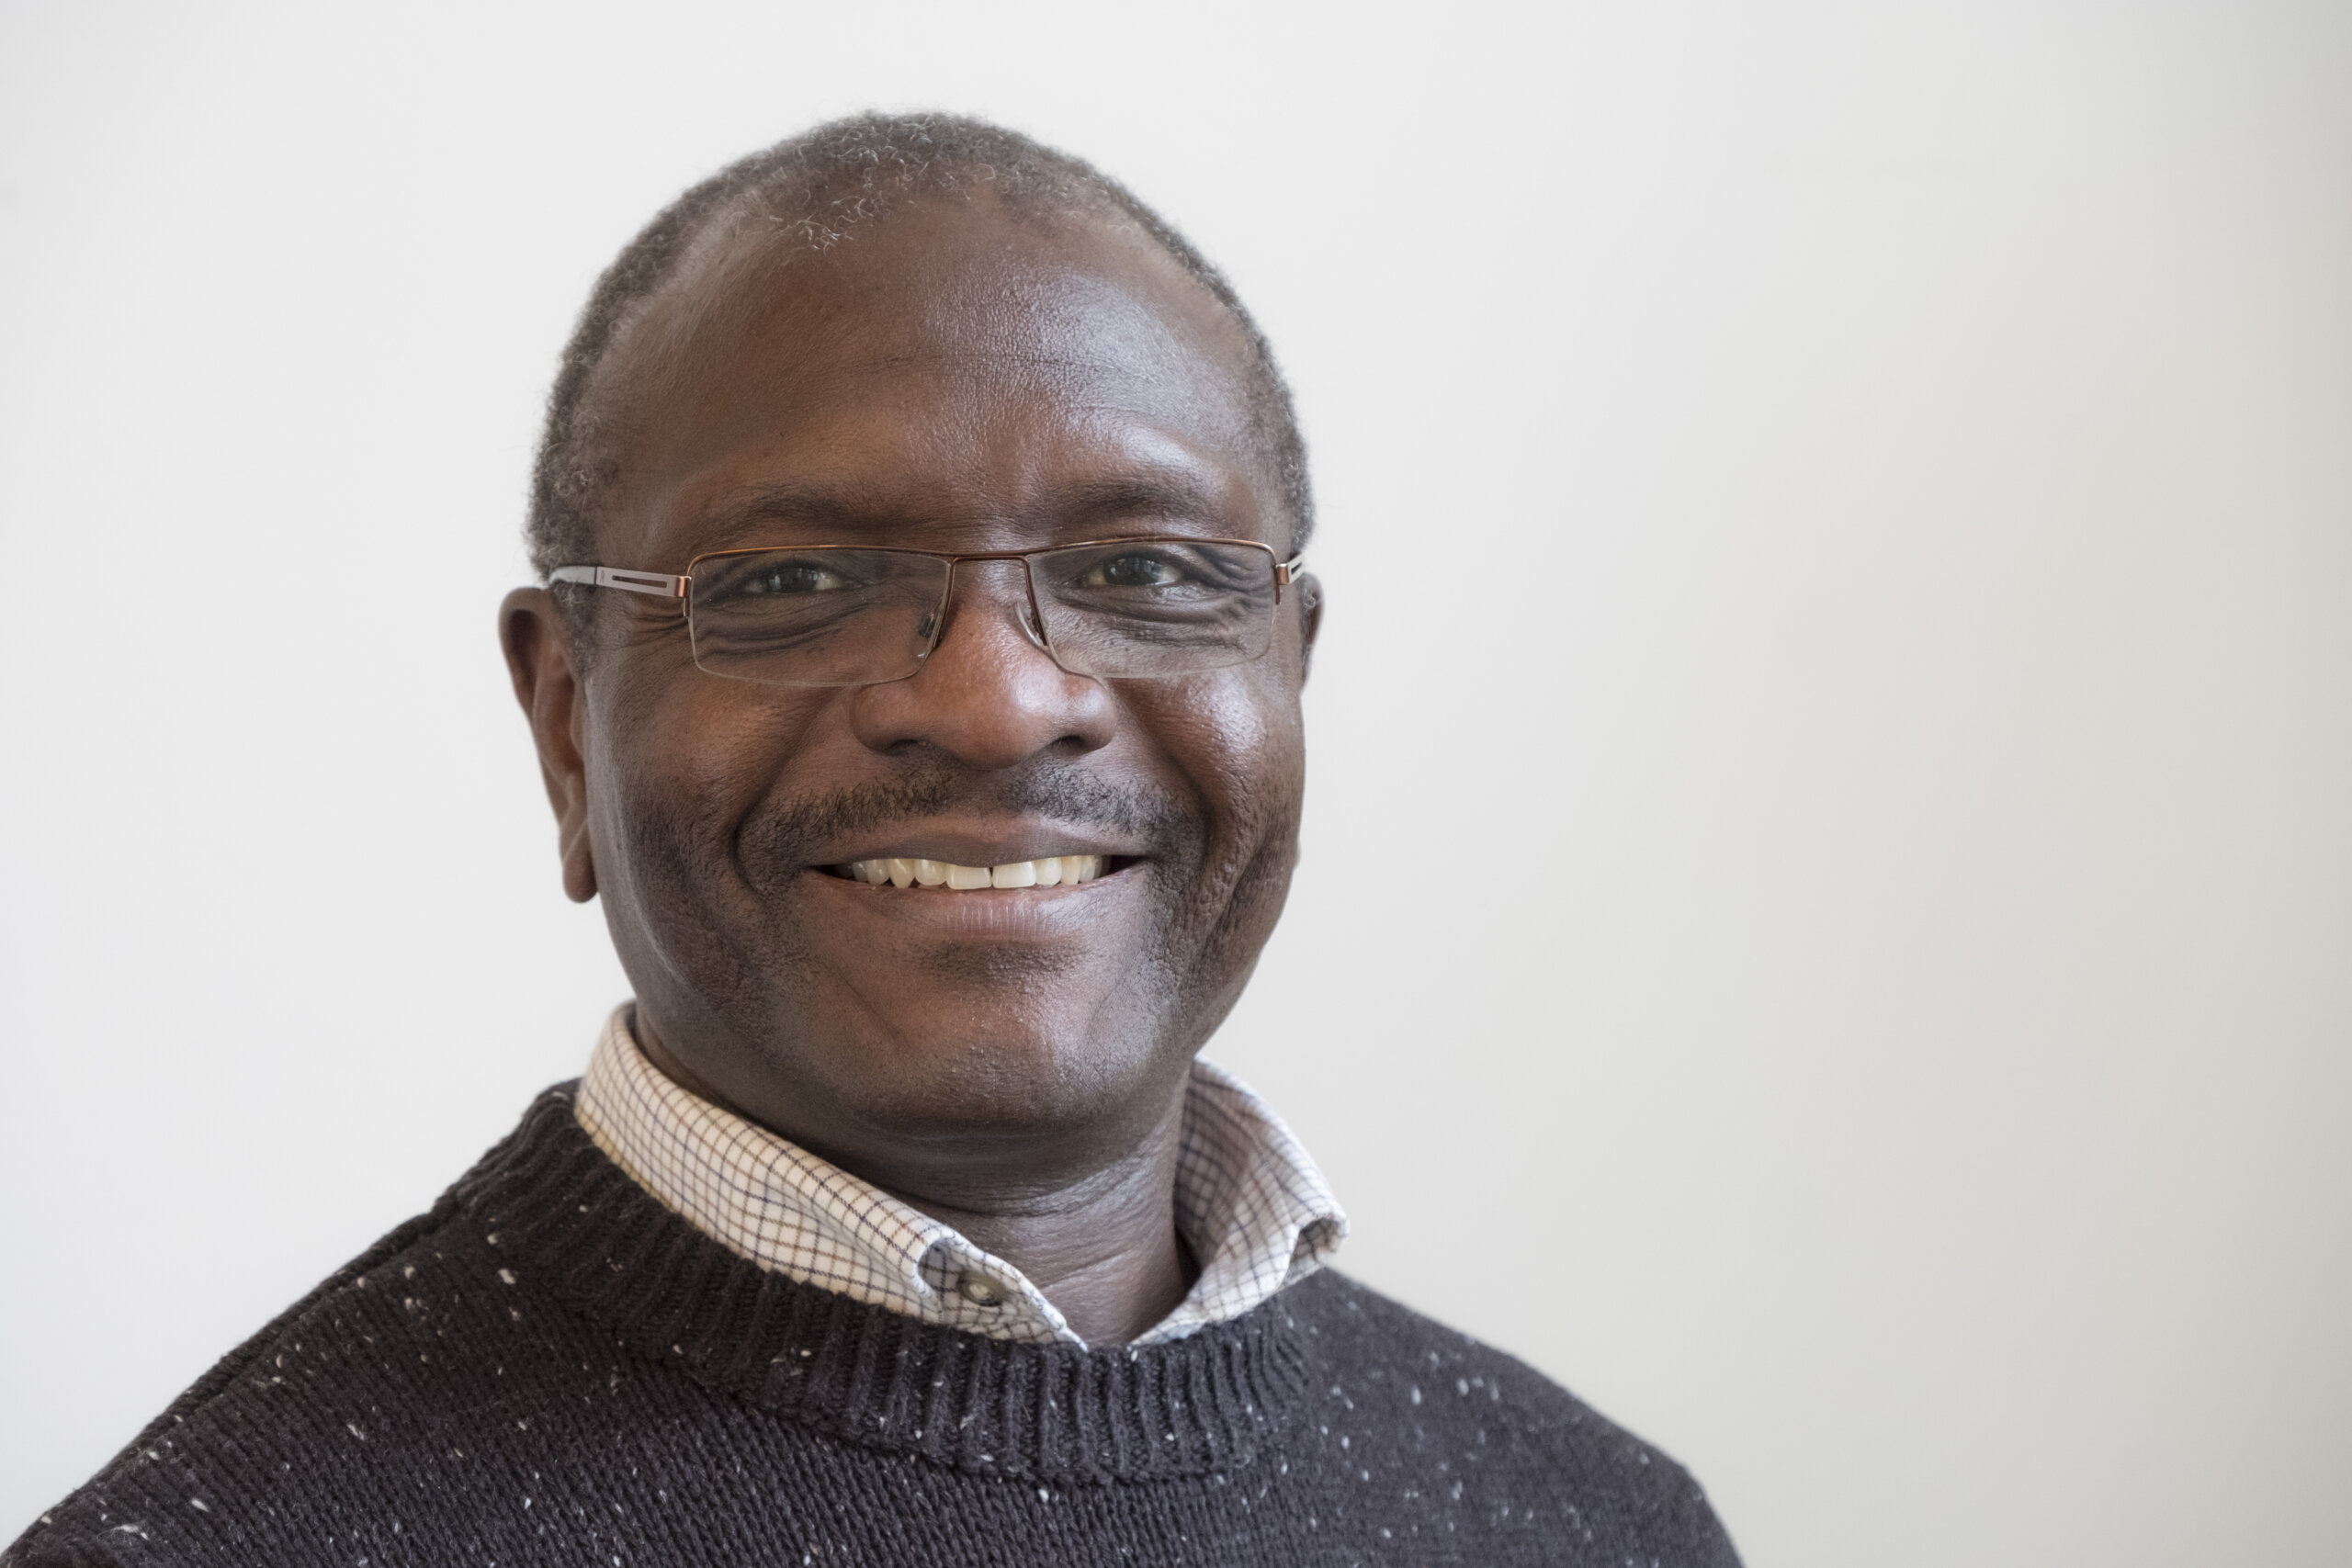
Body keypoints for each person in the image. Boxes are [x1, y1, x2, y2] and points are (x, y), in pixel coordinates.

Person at [5, 113, 1741, 1567]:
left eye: (1142, 570)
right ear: (565, 730)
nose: (995, 704)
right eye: (795, 584)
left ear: (1289, 678)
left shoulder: (1592, 1522)